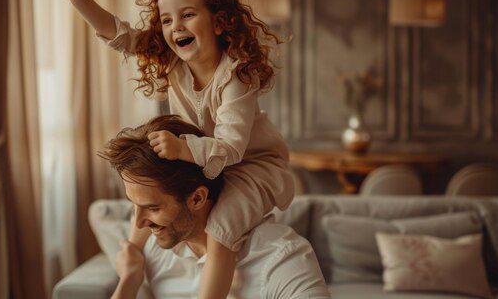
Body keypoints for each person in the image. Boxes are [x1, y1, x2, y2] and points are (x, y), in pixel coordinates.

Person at [61, 0, 295, 299]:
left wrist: (184, 148)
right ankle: (132, 263)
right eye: (167, 19)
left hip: (250, 165)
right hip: (200, 157)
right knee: (151, 197)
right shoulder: (171, 60)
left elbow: (231, 147)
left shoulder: (237, 76)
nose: (176, 27)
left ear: (218, 22)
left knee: (220, 225)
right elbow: (122, 36)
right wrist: (79, 0)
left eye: (187, 15)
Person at [98, 115, 330, 299]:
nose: (138, 222)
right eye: (134, 207)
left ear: (197, 199)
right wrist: (129, 278)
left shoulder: (281, 259)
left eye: (153, 208)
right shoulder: (152, 253)